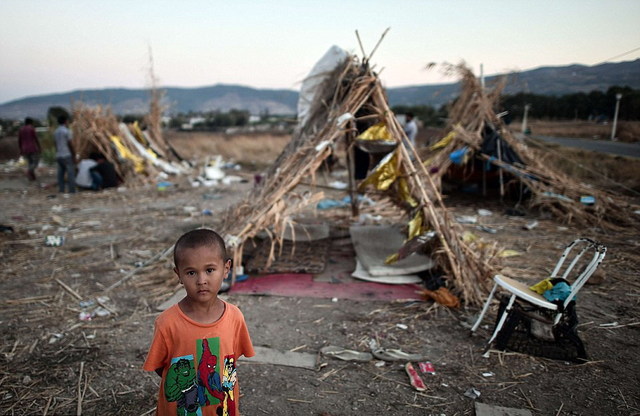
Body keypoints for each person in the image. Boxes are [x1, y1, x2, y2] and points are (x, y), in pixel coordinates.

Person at [143, 229, 255, 416]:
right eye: (191, 273)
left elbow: (229, 361)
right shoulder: (167, 323)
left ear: (226, 269)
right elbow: (161, 367)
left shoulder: (235, 317)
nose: (201, 280)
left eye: (210, 270)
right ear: (178, 274)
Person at [54, 115, 76, 193]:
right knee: (70, 173)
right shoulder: (66, 131)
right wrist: (74, 154)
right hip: (66, 154)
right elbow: (70, 143)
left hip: (59, 155)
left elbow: (55, 144)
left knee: (60, 174)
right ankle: (72, 190)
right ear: (65, 121)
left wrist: (57, 152)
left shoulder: (56, 132)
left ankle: (61, 189)